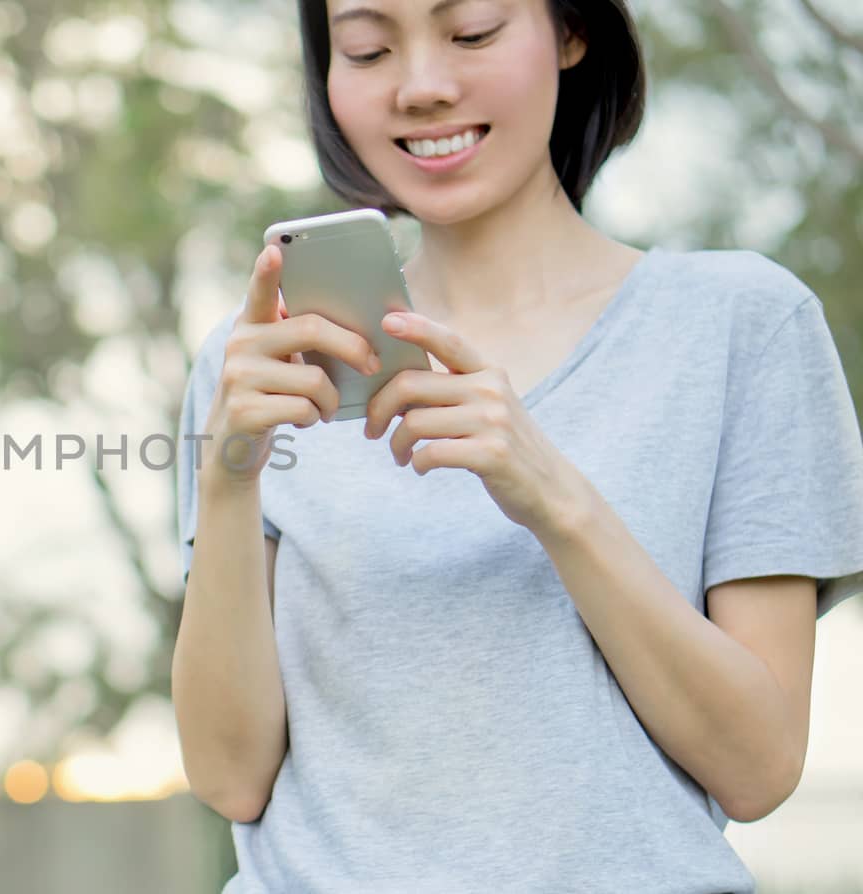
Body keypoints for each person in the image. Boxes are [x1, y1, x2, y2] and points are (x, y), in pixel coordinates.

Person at [169, 0, 863, 891]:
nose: (422, 86)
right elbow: (231, 778)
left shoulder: (741, 326)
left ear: (572, 33)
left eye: (472, 34)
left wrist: (551, 495)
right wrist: (230, 478)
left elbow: (757, 767)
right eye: (368, 48)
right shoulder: (262, 360)